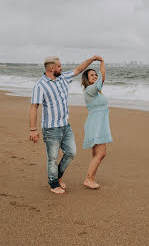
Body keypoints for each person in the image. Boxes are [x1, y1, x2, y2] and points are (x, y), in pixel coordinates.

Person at [29, 55, 102, 194]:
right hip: (51, 128)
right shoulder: (40, 85)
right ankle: (53, 184)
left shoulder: (63, 77)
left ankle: (58, 176)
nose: (62, 68)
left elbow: (79, 69)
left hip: (65, 126)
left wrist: (91, 60)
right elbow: (34, 107)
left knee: (71, 153)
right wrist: (33, 129)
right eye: (59, 66)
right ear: (52, 68)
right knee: (52, 158)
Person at [81, 58, 112, 189]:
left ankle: (90, 178)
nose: (95, 76)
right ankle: (88, 179)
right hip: (96, 125)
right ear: (87, 79)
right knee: (101, 153)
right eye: (92, 75)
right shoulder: (90, 90)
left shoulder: (95, 92)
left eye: (95, 74)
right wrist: (102, 63)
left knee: (96, 153)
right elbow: (102, 79)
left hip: (98, 123)